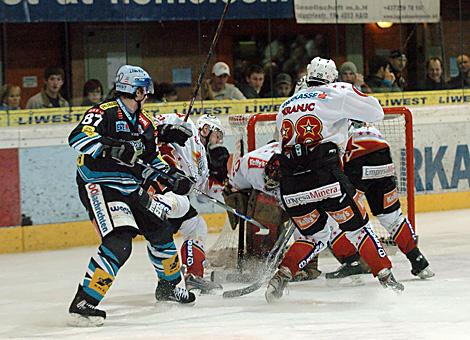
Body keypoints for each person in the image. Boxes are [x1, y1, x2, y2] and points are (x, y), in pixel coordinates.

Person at [265, 57, 403, 303]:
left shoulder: (286, 104)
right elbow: (376, 111)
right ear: (333, 77)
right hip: (325, 178)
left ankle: (283, 274)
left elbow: (279, 140)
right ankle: (385, 275)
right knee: (358, 228)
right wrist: (349, 94)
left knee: (312, 236)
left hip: (292, 184)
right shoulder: (335, 94)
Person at [67, 65, 196, 327]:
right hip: (101, 186)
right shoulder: (103, 112)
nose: (147, 95)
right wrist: (113, 148)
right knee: (119, 243)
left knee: (160, 230)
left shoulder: (144, 123)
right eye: (144, 90)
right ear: (136, 90)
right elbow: (78, 138)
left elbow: (151, 159)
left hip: (131, 187)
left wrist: (172, 177)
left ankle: (169, 287)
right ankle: (84, 303)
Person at [325, 121, 434, 280]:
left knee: (338, 216)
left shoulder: (323, 113)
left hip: (357, 158)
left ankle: (353, 263)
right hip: (383, 154)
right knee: (392, 216)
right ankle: (419, 262)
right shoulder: (351, 106)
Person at [154, 113, 229, 293]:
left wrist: (223, 186)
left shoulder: (204, 160)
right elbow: (153, 122)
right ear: (206, 128)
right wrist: (165, 131)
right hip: (156, 181)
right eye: (217, 134)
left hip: (175, 196)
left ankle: (192, 276)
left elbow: (202, 195)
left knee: (196, 226)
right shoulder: (187, 124)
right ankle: (188, 276)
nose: (217, 140)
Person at [226, 141, 321, 281]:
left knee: (306, 222)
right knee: (268, 206)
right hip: (250, 185)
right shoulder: (251, 168)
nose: (270, 184)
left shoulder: (295, 171)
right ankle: (265, 257)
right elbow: (235, 186)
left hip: (286, 181)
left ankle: (308, 264)